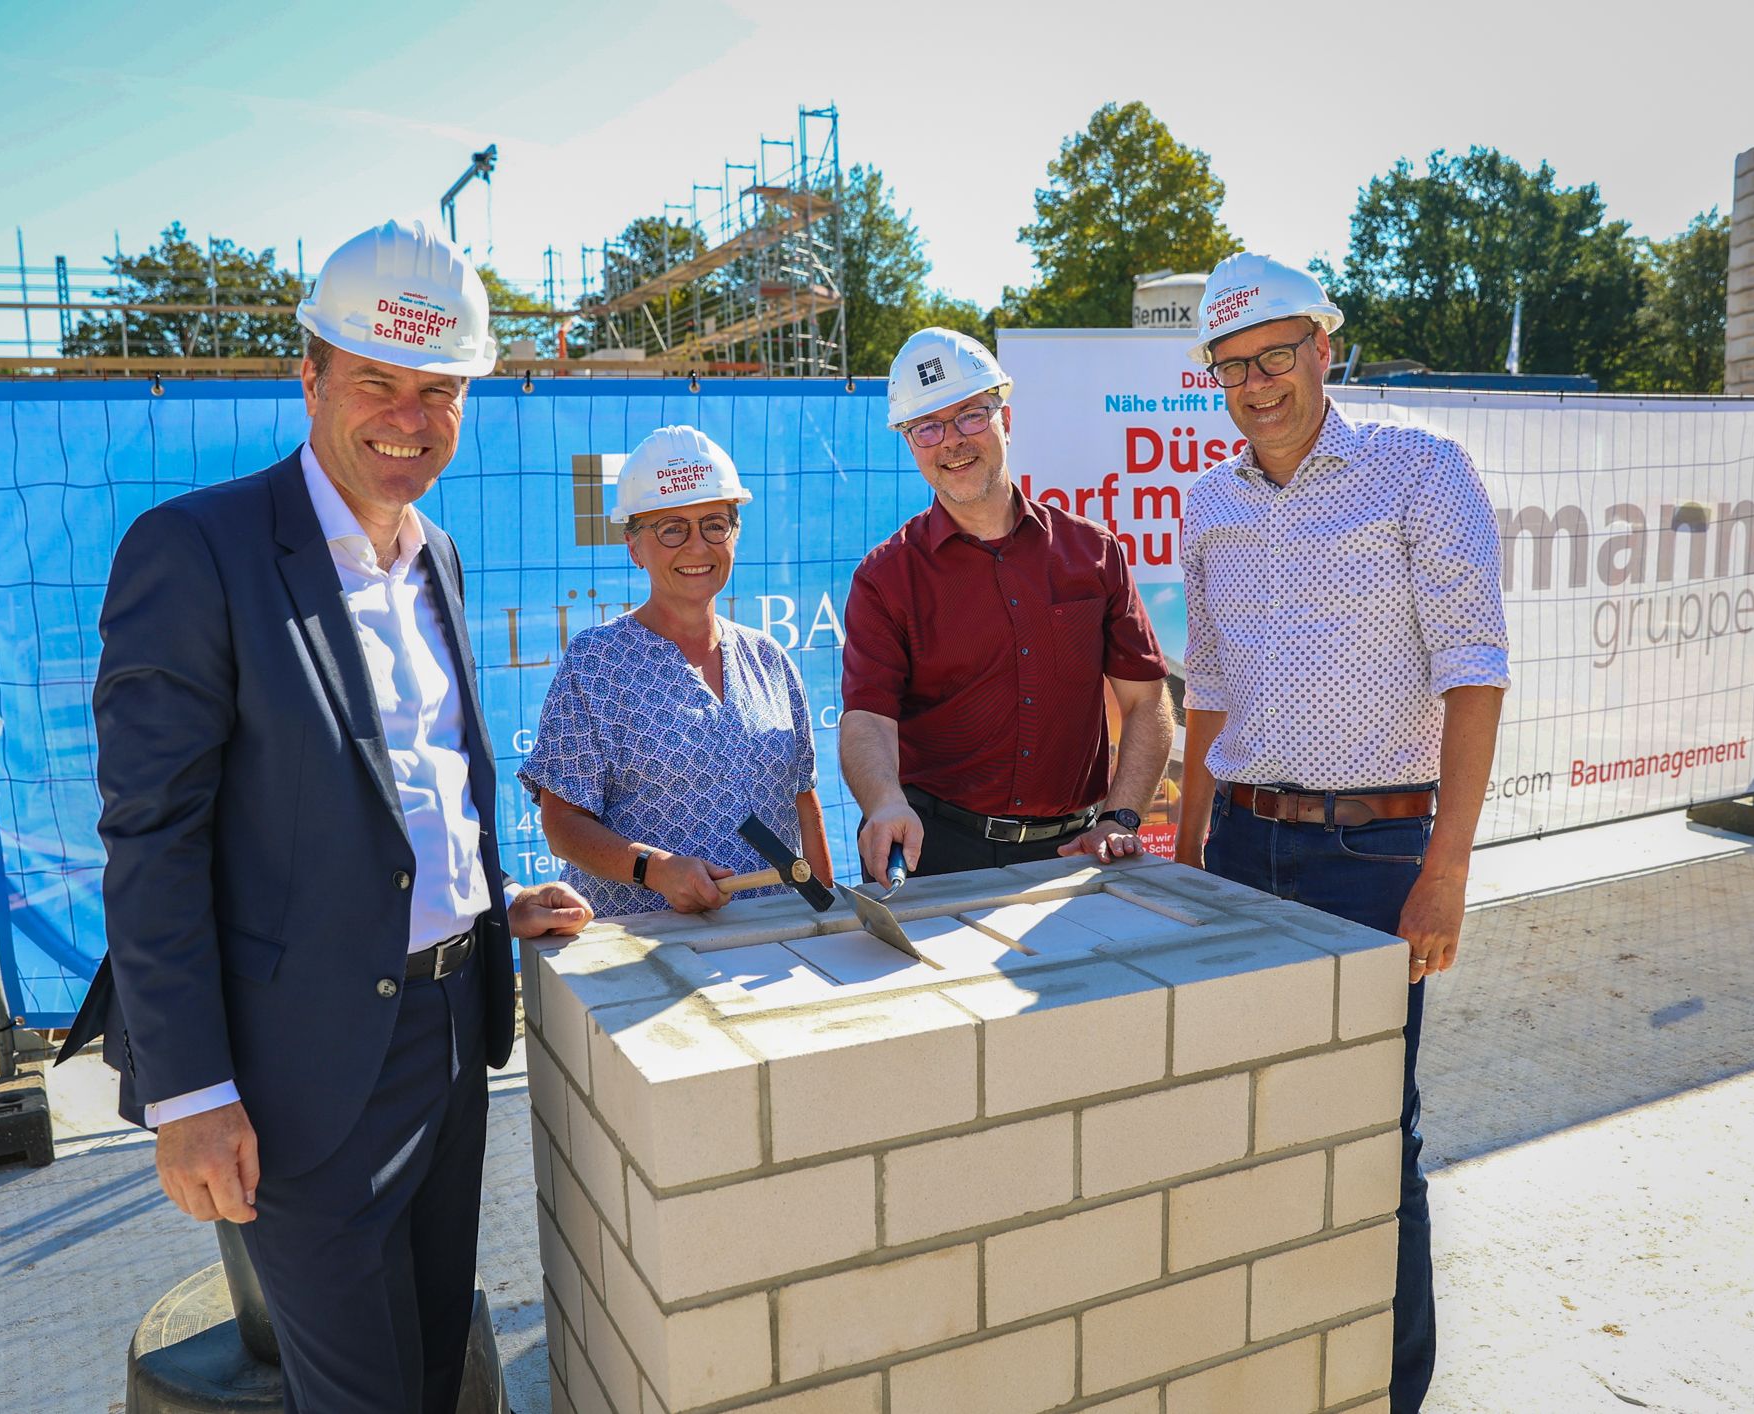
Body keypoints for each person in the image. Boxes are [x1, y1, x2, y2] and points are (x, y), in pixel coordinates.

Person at [56, 218, 593, 1414]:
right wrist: (191, 1097)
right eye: (377, 383)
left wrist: (484, 903)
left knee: (430, 1366)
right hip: (298, 1066)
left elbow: (406, 785)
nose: (408, 418)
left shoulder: (435, 554)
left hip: (453, 1029)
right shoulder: (197, 552)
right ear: (307, 376)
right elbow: (153, 838)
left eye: (438, 391)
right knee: (356, 1394)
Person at [1173, 252, 1510, 1414]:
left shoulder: (1417, 473)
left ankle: (1388, 1392)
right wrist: (1185, 856)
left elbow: (1474, 675)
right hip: (1243, 852)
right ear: (1210, 376)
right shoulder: (1209, 504)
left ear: (1323, 348)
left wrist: (1445, 871)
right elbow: (1205, 689)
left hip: (1375, 857)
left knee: (1374, 1140)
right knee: (1248, 1123)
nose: (1256, 383)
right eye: (1232, 365)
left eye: (1275, 355)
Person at [840, 326, 1175, 885]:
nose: (952, 441)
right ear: (909, 443)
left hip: (1076, 856)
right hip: (936, 853)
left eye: (971, 415)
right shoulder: (886, 577)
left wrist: (1121, 815)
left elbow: (1147, 702)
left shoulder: (1092, 552)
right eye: (927, 427)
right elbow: (868, 718)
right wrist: (884, 802)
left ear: (1006, 421)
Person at [518, 425, 833, 916]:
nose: (696, 546)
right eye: (671, 528)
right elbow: (563, 825)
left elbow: (803, 806)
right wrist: (656, 868)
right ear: (634, 547)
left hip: (770, 942)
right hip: (641, 951)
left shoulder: (768, 659)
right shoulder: (596, 663)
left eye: (713, 523)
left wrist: (827, 916)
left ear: (735, 532)